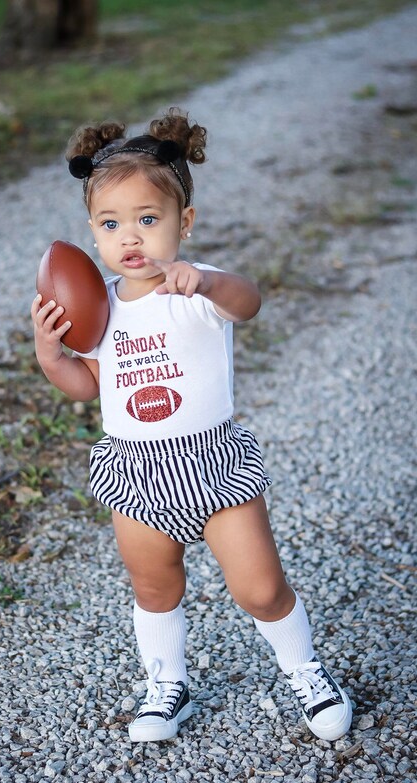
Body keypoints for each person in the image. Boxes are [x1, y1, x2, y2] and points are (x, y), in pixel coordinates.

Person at [31, 108, 353, 743]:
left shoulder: (195, 291)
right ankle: (165, 686)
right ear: (93, 233)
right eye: (112, 223)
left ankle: (307, 671)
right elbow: (90, 384)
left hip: (212, 463)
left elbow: (249, 301)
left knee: (260, 588)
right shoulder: (100, 308)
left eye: (149, 220)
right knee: (154, 586)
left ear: (185, 222)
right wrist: (52, 357)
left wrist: (206, 281)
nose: (132, 237)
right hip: (134, 470)